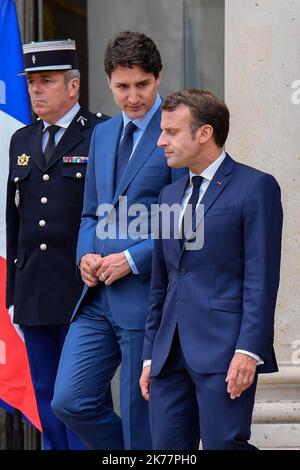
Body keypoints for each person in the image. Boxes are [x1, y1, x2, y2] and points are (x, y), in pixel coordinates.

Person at [51, 31, 187, 450]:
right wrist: (85, 255)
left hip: (146, 297)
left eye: (142, 85)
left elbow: (186, 219)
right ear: (108, 81)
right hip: (94, 297)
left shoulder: (177, 129)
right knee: (69, 401)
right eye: (122, 86)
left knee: (139, 413)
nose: (133, 97)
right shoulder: (104, 134)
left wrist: (132, 257)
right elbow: (92, 210)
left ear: (158, 78)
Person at [140, 89, 283, 450]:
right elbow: (163, 282)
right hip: (168, 354)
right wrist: (149, 355)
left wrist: (249, 350)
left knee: (225, 446)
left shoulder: (255, 187)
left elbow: (261, 279)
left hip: (224, 350)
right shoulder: (168, 196)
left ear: (204, 134)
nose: (161, 142)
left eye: (171, 132)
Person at [5, 39, 108, 450]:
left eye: (46, 81)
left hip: (81, 289)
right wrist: (13, 290)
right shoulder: (23, 140)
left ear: (73, 87)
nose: (35, 90)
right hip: (33, 287)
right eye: (31, 82)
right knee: (46, 396)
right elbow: (16, 218)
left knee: (79, 399)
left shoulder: (101, 133)